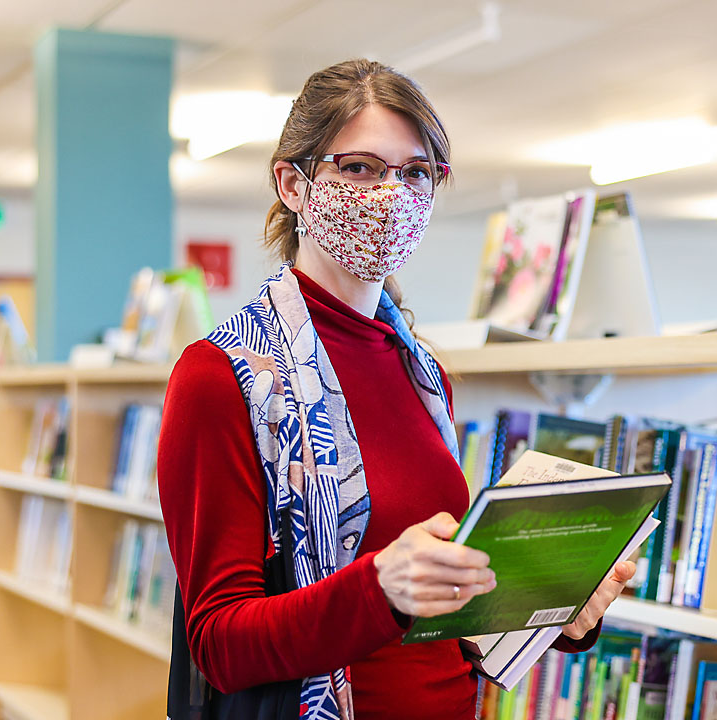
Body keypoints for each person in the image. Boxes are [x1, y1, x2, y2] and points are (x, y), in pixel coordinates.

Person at [157, 58, 636, 720]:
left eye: (415, 173)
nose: (390, 193)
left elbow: (441, 618)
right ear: (293, 184)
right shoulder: (222, 376)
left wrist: (551, 611)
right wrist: (379, 586)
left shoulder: (422, 372)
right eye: (359, 168)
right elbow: (219, 644)